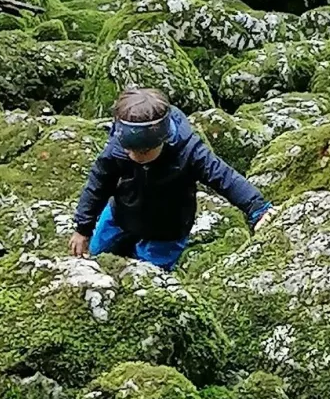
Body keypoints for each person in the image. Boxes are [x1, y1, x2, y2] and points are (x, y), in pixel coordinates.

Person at [69, 88, 275, 270]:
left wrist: (257, 209)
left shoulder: (190, 152)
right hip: (121, 214)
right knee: (97, 254)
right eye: (130, 150)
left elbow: (226, 178)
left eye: (144, 152)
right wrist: (83, 229)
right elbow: (97, 185)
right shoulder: (118, 149)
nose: (135, 156)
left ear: (163, 139)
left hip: (167, 229)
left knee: (148, 275)